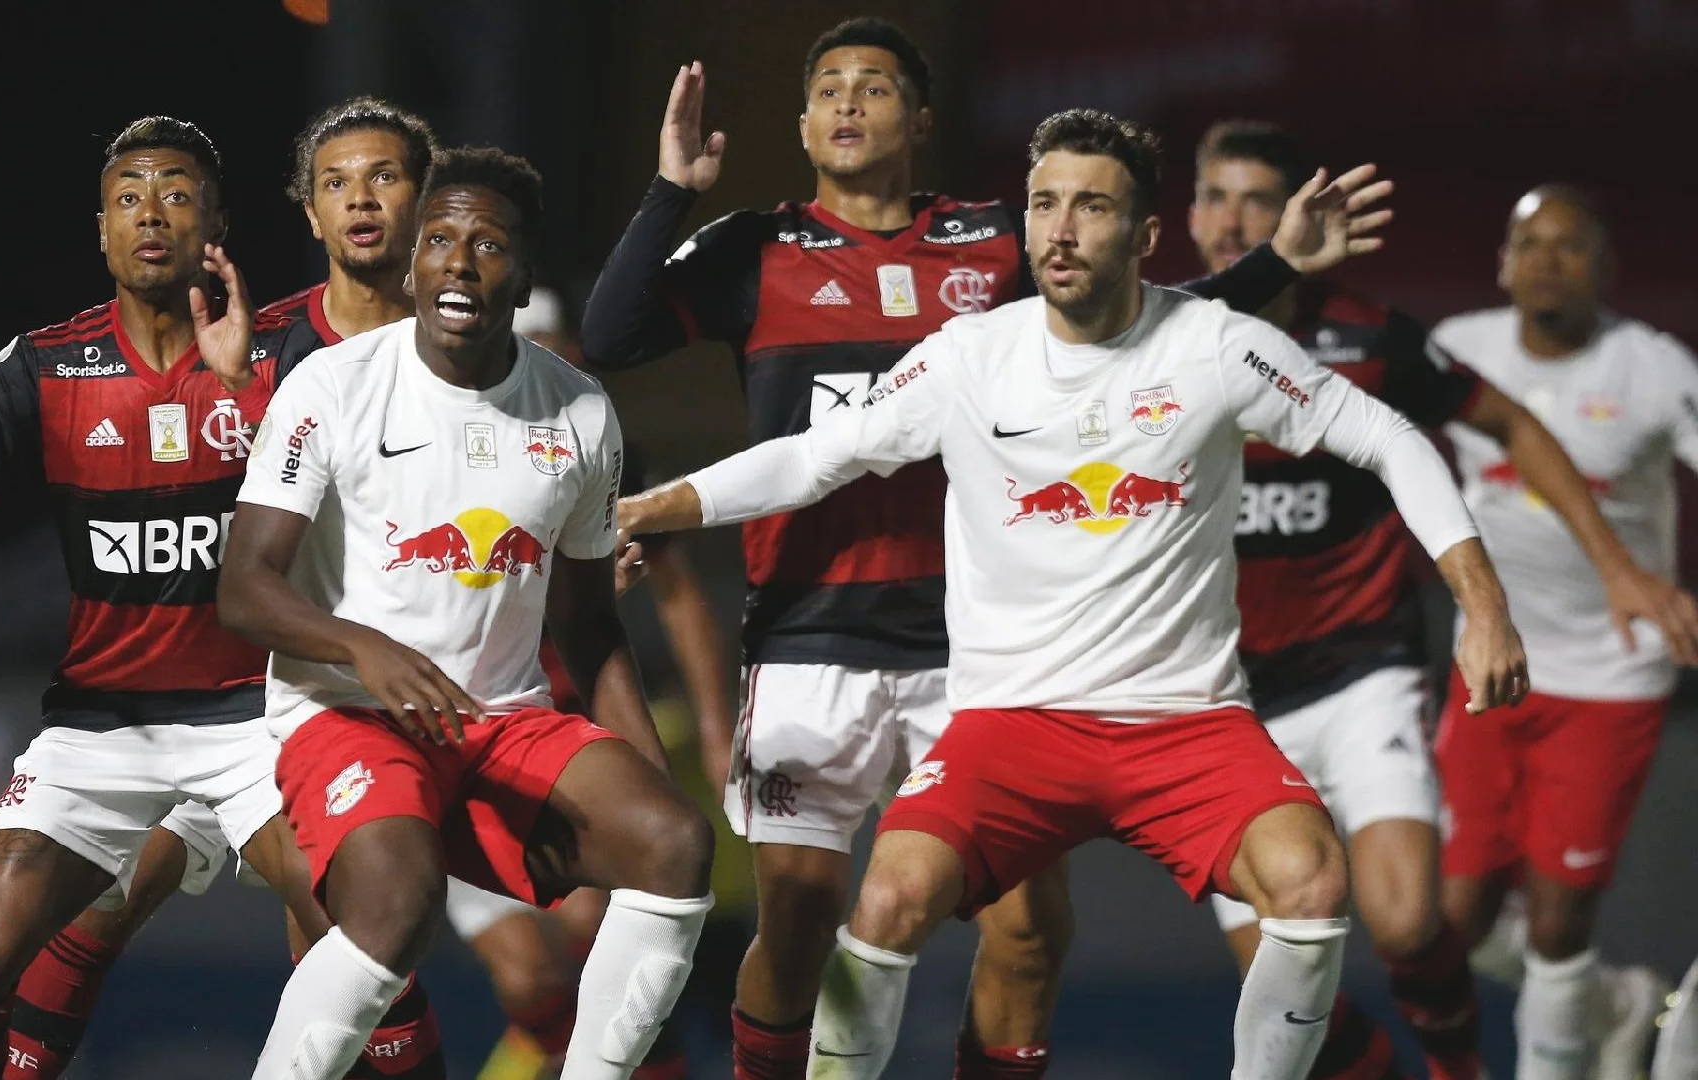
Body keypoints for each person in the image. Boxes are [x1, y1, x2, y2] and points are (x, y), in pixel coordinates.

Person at [616, 107, 1532, 1080]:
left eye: (1089, 206)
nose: (1058, 229)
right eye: (1043, 204)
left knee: (1312, 887)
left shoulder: (1216, 346)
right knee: (884, 905)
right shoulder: (970, 356)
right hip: (1011, 727)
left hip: (1185, 723)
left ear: (1141, 238)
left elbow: (1387, 438)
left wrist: (1483, 604)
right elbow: (812, 458)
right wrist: (652, 509)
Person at [1185, 122, 1698, 1080]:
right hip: (1229, 702)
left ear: (1296, 213)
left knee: (1426, 921)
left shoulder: (1377, 340)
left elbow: (1506, 423)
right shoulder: (1156, 341)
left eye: (1256, 200)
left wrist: (1619, 570)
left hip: (1382, 672)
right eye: (1215, 197)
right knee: (1293, 985)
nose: (1233, 220)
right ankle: (1608, 1010)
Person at [0, 116, 345, 1080]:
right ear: (102, 231)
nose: (149, 214)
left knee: (369, 926)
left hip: (267, 713)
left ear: (216, 222)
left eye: (174, 193)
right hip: (102, 726)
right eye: (128, 197)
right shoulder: (45, 365)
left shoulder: (286, 356)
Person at [219, 147, 717, 1080]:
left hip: (500, 724)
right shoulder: (332, 387)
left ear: (521, 277)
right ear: (410, 266)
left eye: (488, 245)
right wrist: (362, 648)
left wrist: (645, 768)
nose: (459, 259)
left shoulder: (579, 413)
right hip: (346, 717)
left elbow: (588, 623)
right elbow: (245, 587)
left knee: (675, 844)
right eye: (440, 239)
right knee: (396, 909)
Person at [1429, 185, 1697, 1080]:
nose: (1546, 260)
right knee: (1448, 923)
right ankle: (1618, 1007)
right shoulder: (1459, 352)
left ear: (1606, 267)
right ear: (1502, 260)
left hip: (1610, 678)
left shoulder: (1655, 369)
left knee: (1554, 923)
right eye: (1528, 243)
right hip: (1495, 666)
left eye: (1569, 246)